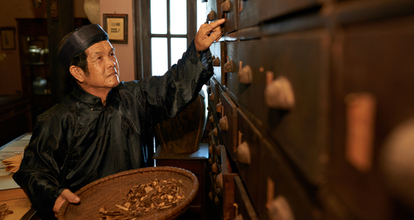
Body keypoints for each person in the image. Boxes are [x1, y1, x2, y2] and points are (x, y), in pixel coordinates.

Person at [13, 18, 226, 219]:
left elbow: (170, 86)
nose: (112, 63)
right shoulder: (55, 120)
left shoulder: (134, 97)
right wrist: (55, 196)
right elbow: (33, 172)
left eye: (112, 54)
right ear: (78, 72)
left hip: (141, 209)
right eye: (100, 58)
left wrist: (197, 50)